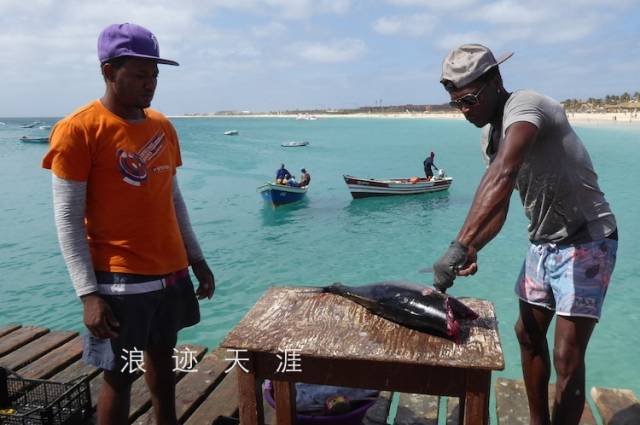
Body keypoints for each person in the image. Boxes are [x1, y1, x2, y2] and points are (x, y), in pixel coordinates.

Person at [431, 44, 617, 425]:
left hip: (588, 240)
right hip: (544, 243)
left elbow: (504, 173)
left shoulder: (527, 107)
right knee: (527, 333)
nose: (465, 111)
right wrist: (475, 248)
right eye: (456, 104)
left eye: (468, 100)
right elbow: (500, 204)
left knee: (567, 354)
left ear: (495, 82)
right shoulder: (490, 138)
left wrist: (459, 243)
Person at [42, 23, 215, 425]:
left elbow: (173, 198)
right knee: (119, 377)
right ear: (108, 71)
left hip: (171, 275)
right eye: (139, 74)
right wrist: (88, 294)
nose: (150, 84)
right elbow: (67, 219)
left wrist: (197, 260)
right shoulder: (79, 129)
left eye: (155, 74)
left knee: (163, 363)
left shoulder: (161, 126)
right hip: (121, 281)